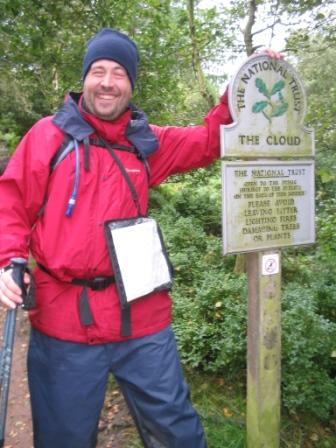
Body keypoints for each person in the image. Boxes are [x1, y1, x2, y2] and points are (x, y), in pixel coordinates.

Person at [0, 28, 282, 448]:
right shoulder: (48, 136)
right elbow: (13, 201)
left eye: (119, 73)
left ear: (131, 84)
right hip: (65, 324)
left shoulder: (146, 144)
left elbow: (208, 139)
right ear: (85, 79)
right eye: (98, 71)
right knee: (65, 438)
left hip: (142, 319)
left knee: (177, 433)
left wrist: (244, 81)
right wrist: (9, 260)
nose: (108, 81)